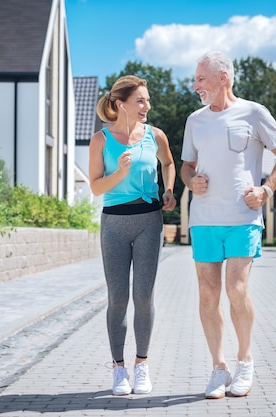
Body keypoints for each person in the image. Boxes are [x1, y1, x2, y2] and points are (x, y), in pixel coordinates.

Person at [181, 51, 276, 399]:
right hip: (204, 220)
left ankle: (245, 361)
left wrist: (266, 188)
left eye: (201, 78)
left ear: (222, 78)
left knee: (237, 290)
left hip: (243, 218)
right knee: (207, 293)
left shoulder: (254, 112)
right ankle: (218, 368)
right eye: (196, 79)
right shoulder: (195, 120)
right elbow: (187, 166)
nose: (196, 85)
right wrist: (190, 181)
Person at [89, 75, 176, 396]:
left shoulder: (155, 136)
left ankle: (142, 365)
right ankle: (118, 369)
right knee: (118, 299)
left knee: (143, 297)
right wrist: (120, 173)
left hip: (149, 221)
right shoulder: (101, 140)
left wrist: (168, 190)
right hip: (114, 223)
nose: (147, 106)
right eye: (141, 101)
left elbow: (168, 163)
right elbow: (96, 186)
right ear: (120, 104)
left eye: (147, 100)